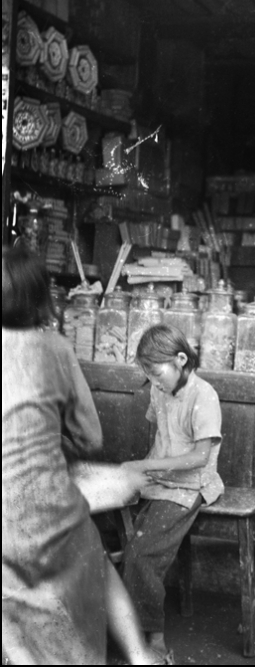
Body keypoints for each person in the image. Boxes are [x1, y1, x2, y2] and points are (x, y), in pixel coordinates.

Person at [2, 245, 164, 666]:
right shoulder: (54, 348)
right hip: (46, 513)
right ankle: (139, 655)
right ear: (40, 299)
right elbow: (91, 438)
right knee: (93, 555)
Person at [121, 323, 224, 660]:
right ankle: (126, 623)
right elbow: (160, 438)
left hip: (191, 485)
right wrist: (139, 475)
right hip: (162, 480)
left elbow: (200, 457)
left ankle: (154, 638)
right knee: (117, 526)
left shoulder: (203, 394)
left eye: (156, 372)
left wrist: (145, 468)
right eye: (147, 374)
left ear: (181, 359)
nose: (153, 380)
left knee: (142, 552)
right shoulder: (158, 391)